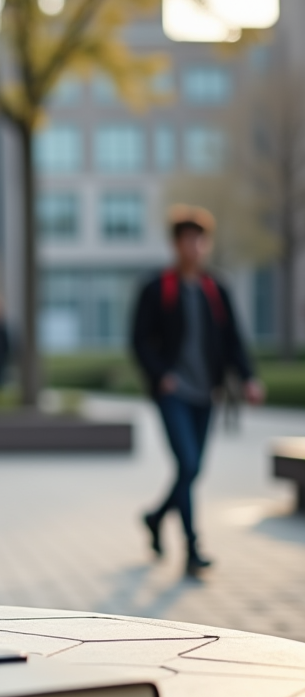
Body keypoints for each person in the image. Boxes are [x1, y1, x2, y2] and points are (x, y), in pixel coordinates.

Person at [131, 205, 264, 578]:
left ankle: (156, 517)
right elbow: (139, 340)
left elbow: (233, 339)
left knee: (192, 469)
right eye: (188, 239)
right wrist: (161, 375)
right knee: (188, 465)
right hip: (173, 392)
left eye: (200, 239)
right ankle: (191, 547)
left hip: (207, 393)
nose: (195, 246)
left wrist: (248, 377)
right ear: (177, 244)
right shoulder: (157, 288)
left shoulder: (214, 289)